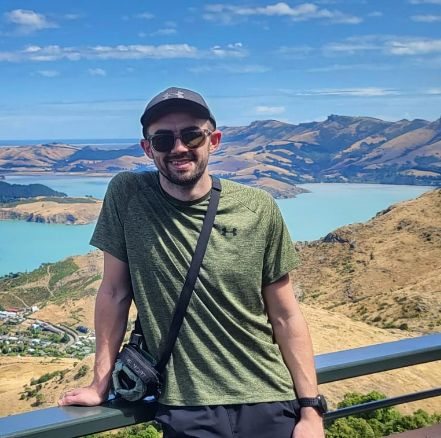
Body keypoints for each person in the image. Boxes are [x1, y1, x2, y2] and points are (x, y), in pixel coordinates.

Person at [59, 87, 325, 438]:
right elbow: (113, 293)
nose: (179, 148)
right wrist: (99, 384)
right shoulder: (128, 195)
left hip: (269, 397)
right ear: (147, 149)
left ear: (213, 140)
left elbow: (286, 314)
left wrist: (310, 409)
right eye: (164, 140)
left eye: (191, 135)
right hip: (186, 407)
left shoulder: (258, 207)